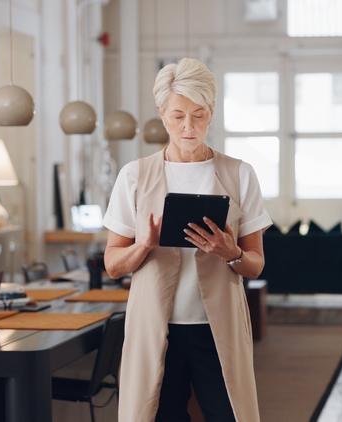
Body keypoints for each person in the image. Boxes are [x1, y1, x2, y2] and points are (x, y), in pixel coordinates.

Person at [103, 57, 272, 422]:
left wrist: (232, 253)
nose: (189, 127)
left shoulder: (240, 174)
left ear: (212, 113)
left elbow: (256, 264)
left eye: (198, 115)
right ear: (161, 113)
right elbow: (113, 264)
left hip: (219, 329)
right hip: (155, 329)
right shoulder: (134, 175)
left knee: (232, 415)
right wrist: (143, 245)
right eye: (178, 116)